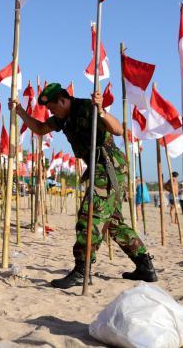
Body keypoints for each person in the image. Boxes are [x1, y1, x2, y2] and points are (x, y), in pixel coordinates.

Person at [13, 83, 157, 289]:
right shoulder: (63, 118)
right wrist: (20, 112)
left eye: (52, 107)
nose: (51, 112)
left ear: (63, 100)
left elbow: (118, 130)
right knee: (113, 223)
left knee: (89, 216)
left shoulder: (88, 107)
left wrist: (102, 110)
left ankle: (82, 269)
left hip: (108, 166)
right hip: (99, 168)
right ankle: (145, 266)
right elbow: (40, 128)